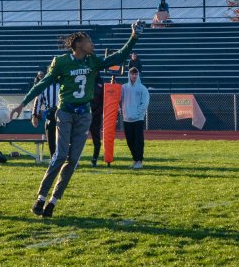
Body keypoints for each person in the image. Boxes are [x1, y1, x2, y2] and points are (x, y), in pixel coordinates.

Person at [10, 22, 142, 218]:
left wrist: (133, 37)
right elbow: (44, 83)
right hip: (65, 112)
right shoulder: (61, 62)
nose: (92, 45)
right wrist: (24, 103)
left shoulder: (93, 61)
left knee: (73, 159)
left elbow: (119, 57)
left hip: (84, 114)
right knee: (61, 155)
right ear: (79, 44)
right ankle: (40, 197)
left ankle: (53, 201)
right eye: (89, 41)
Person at [121, 67, 150, 169]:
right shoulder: (123, 87)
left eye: (135, 74)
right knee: (130, 141)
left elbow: (145, 103)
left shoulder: (143, 89)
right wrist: (121, 110)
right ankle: (134, 159)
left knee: (138, 140)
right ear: (129, 75)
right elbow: (117, 98)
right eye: (132, 74)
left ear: (138, 75)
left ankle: (139, 161)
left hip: (138, 119)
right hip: (126, 119)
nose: (134, 76)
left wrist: (137, 113)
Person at [31, 75, 60, 159]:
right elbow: (38, 101)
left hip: (63, 113)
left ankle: (65, 159)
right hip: (50, 114)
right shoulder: (45, 86)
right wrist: (34, 115)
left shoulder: (64, 82)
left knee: (64, 139)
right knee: (51, 139)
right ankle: (53, 159)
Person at [89, 72, 104, 167]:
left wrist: (95, 113)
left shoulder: (101, 83)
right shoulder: (86, 81)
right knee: (78, 138)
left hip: (96, 115)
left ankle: (95, 158)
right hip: (84, 114)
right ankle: (75, 158)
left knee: (96, 138)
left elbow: (103, 101)